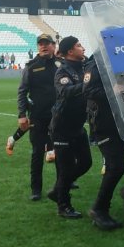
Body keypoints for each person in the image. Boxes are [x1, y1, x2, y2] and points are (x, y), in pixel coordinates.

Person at [47, 36, 92, 218]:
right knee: (65, 169)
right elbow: (65, 92)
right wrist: (87, 85)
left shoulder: (84, 66)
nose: (82, 48)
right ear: (70, 52)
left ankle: (57, 190)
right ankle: (63, 206)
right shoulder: (62, 71)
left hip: (78, 125)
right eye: (78, 45)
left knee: (86, 163)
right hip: (62, 127)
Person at [82, 55, 124, 229]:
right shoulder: (96, 62)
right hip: (104, 122)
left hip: (120, 121)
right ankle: (98, 209)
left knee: (116, 166)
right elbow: (87, 90)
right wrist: (112, 91)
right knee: (116, 166)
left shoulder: (118, 60)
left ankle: (102, 209)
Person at [13, 34, 58, 201]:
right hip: (38, 116)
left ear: (54, 46)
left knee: (60, 150)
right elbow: (22, 91)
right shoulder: (31, 67)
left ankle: (62, 183)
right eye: (40, 44)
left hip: (58, 116)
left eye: (47, 43)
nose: (43, 46)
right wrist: (22, 115)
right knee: (37, 152)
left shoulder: (61, 64)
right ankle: (36, 188)